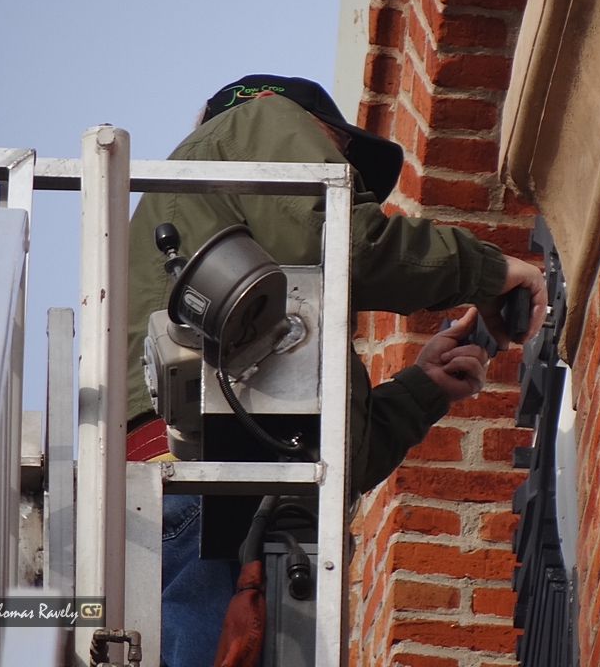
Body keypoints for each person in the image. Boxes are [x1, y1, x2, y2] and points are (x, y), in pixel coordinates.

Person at [125, 74, 547, 667]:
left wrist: (422, 387)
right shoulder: (262, 117)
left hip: (192, 494)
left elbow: (330, 458)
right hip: (206, 489)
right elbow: (351, 241)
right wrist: (491, 269)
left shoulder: (257, 322)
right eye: (337, 153)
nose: (338, 168)